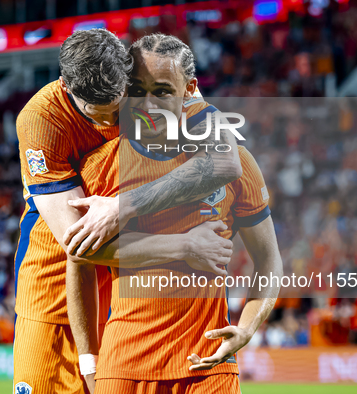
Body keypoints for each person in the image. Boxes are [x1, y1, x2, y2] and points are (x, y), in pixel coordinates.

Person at [14, 29, 242, 394]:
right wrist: (183, 246)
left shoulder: (150, 80)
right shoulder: (41, 120)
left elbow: (226, 160)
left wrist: (122, 207)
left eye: (117, 106)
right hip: (55, 284)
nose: (108, 123)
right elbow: (79, 245)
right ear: (65, 85)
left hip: (129, 289)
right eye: (94, 113)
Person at [66, 34, 283, 394]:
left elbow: (269, 259)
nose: (147, 104)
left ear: (190, 90)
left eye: (163, 91)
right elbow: (79, 260)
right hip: (123, 368)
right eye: (136, 88)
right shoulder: (100, 168)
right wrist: (88, 360)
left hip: (208, 366)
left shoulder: (237, 164)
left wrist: (246, 327)